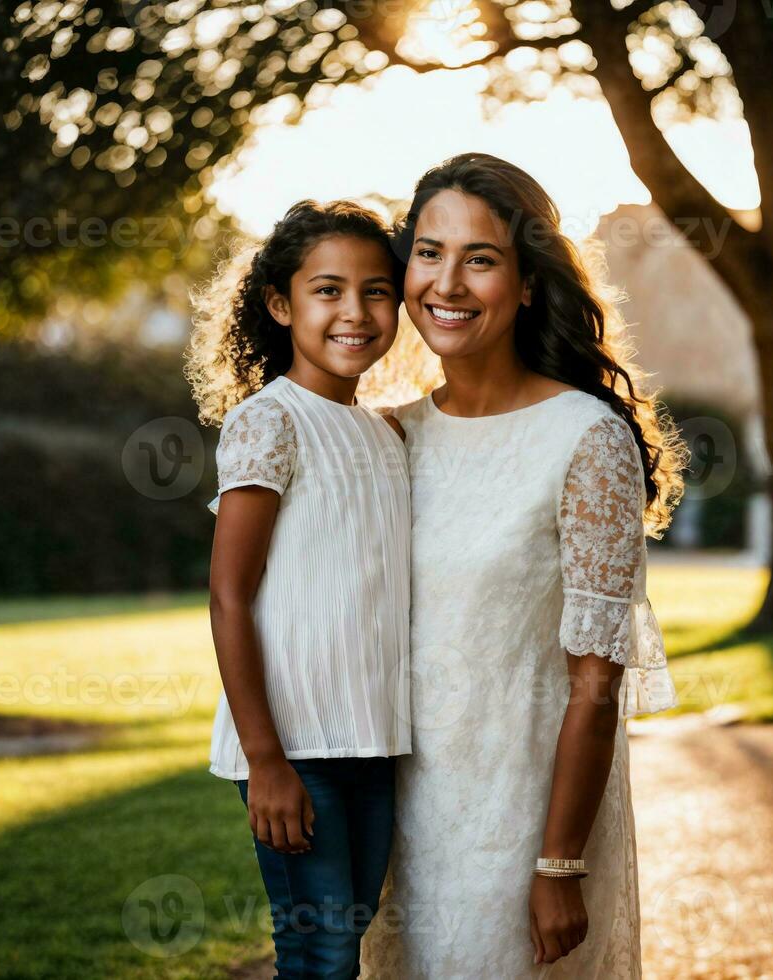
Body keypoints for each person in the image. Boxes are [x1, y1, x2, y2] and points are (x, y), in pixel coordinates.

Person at [358, 153, 686, 978]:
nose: (448, 283)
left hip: (523, 825)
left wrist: (558, 865)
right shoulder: (386, 438)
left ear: (529, 282)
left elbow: (595, 680)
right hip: (396, 820)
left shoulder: (584, 439)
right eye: (428, 253)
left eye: (481, 258)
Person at [186, 199, 411, 979]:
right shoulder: (267, 422)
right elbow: (229, 596)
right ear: (281, 304)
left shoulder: (386, 433)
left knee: (348, 934)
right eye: (328, 290)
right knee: (317, 955)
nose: (355, 311)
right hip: (292, 745)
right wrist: (266, 761)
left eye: (376, 290)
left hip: (374, 739)